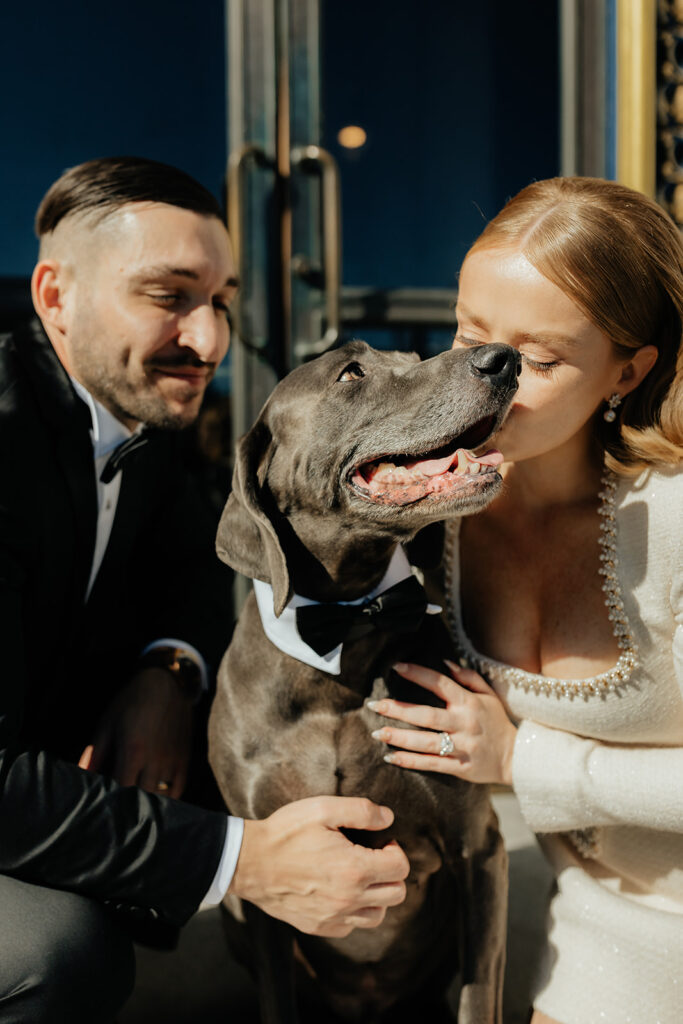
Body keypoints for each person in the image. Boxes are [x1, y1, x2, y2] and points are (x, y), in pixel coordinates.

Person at [0, 156, 409, 1024]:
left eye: (221, 301)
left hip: (42, 747)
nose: (209, 340)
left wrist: (169, 672)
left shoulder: (142, 410)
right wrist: (242, 860)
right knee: (58, 954)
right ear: (54, 295)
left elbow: (193, 559)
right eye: (168, 295)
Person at [368, 177, 683, 1024]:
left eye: (537, 362)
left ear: (630, 368)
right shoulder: (438, 509)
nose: (487, 382)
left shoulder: (677, 519)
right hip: (585, 921)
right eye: (470, 337)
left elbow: (511, 762)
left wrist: (520, 763)